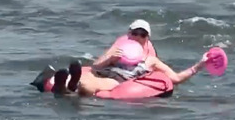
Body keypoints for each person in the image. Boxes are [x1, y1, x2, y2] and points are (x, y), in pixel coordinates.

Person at [51, 19, 209, 96]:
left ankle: (69, 87)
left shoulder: (150, 60)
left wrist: (199, 65)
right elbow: (96, 66)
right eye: (135, 33)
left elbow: (175, 78)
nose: (137, 37)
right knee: (89, 75)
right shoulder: (118, 47)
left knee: (88, 84)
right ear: (129, 34)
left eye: (142, 34)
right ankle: (66, 85)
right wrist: (109, 58)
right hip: (104, 71)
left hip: (119, 79)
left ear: (147, 38)